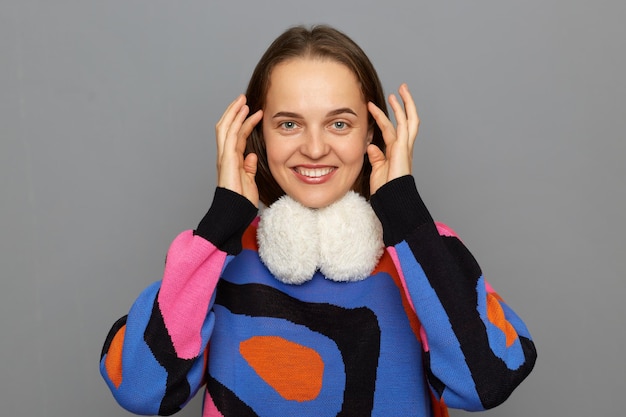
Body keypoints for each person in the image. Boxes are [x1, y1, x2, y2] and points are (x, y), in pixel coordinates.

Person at [100, 25, 536, 417]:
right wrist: (219, 225)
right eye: (289, 123)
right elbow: (141, 389)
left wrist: (406, 214)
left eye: (339, 124)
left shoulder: (423, 250)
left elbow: (488, 382)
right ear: (257, 135)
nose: (313, 148)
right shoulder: (215, 258)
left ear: (371, 132)